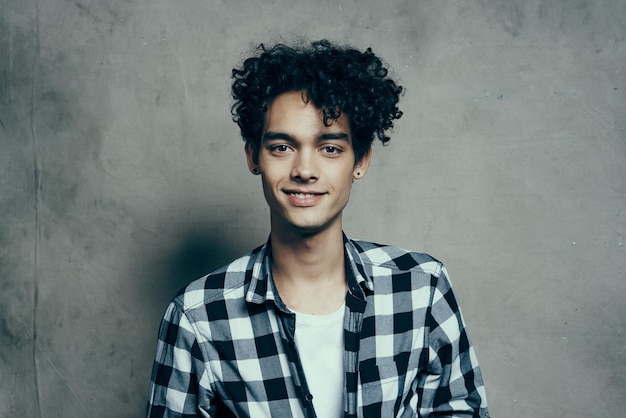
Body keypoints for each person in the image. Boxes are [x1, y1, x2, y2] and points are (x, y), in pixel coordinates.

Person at [146, 39, 489, 418]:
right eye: (281, 147)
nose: (305, 170)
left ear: (361, 160)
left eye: (330, 148)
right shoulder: (198, 317)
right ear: (252, 155)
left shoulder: (422, 288)